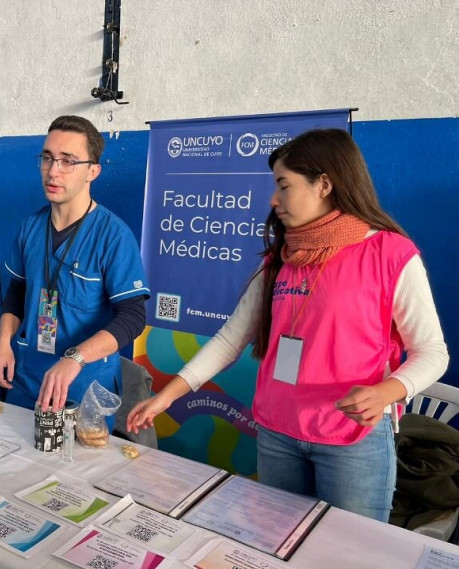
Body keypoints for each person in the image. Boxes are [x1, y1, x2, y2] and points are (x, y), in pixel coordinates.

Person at [127, 128, 449, 522]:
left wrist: (389, 391)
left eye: (284, 185)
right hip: (279, 434)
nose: (273, 200)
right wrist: (168, 394)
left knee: (351, 559)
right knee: (279, 553)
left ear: (324, 185)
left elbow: (432, 352)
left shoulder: (389, 253)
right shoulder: (280, 259)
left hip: (352, 440)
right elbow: (231, 338)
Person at [0, 115, 150, 420]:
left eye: (68, 161)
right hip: (28, 378)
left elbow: (132, 317)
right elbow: (19, 289)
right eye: (48, 158)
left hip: (85, 387)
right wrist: (3, 341)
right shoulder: (31, 228)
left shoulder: (112, 236)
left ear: (92, 171)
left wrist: (75, 358)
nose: (53, 171)